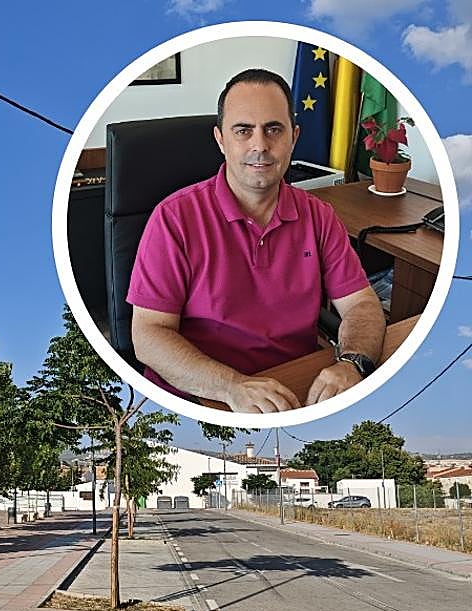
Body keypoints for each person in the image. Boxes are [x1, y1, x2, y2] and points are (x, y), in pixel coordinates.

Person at [127, 68, 385, 414]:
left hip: (292, 389)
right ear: (221, 139)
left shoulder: (319, 216)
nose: (260, 146)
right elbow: (148, 335)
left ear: (293, 137)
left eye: (273, 129)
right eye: (243, 131)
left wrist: (352, 362)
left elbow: (362, 305)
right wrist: (231, 386)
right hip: (198, 397)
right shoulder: (173, 218)